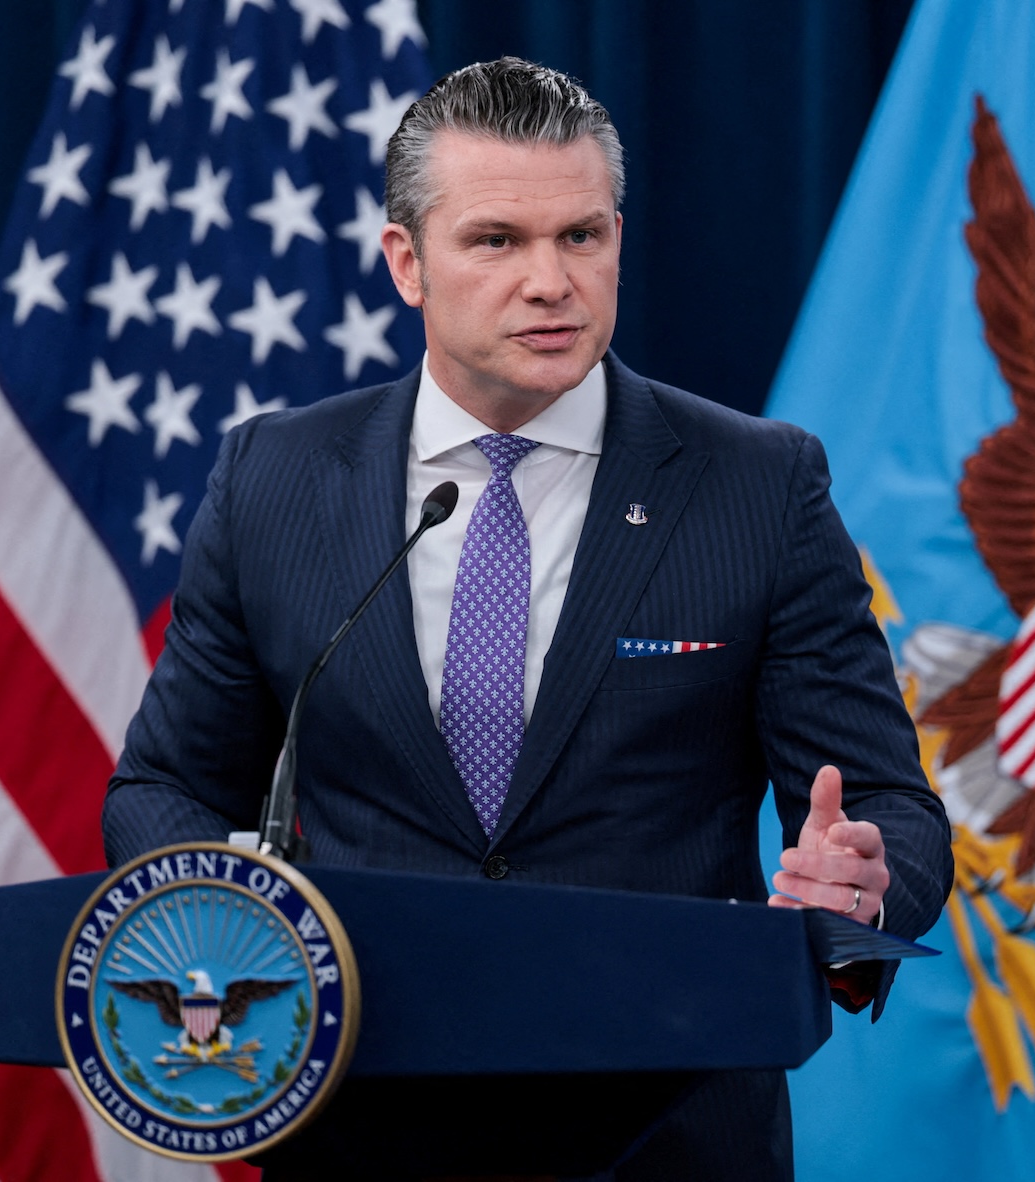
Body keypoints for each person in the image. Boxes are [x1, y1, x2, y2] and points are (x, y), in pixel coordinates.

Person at [102, 57, 952, 1180]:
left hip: (669, 1135)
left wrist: (861, 886)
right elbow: (162, 788)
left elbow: (887, 803)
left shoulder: (758, 485)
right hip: (365, 1131)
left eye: (580, 236)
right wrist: (238, 931)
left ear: (617, 240)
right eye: (497, 240)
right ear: (407, 262)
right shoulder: (274, 480)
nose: (550, 281)